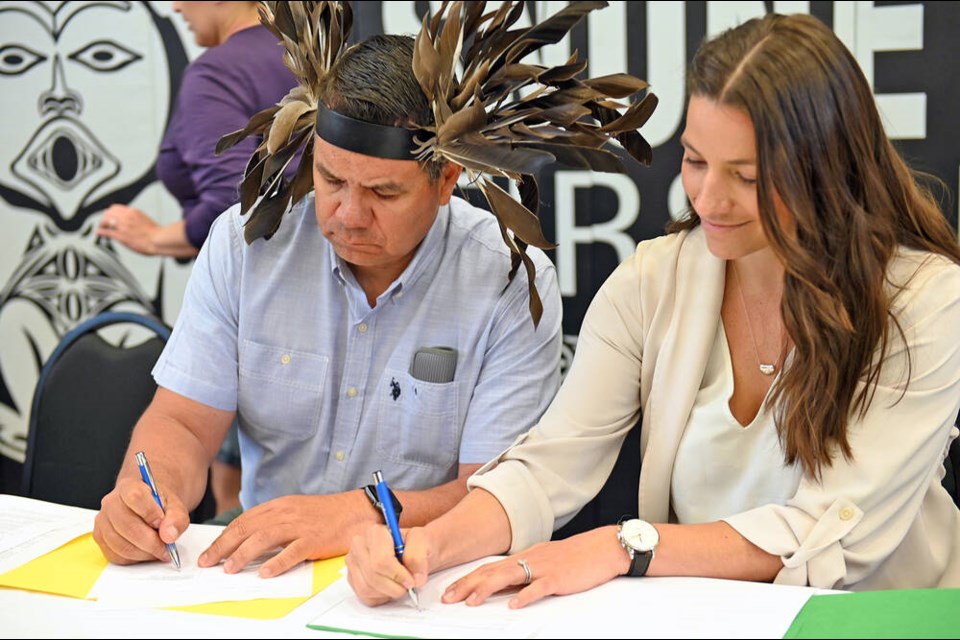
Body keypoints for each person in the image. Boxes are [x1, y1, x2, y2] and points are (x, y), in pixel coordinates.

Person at [346, 12, 960, 607]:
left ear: (826, 168)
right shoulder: (653, 279)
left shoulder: (928, 301)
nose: (708, 198)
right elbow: (549, 465)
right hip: (708, 619)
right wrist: (427, 545)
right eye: (695, 161)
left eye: (746, 176)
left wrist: (628, 547)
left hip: (889, 614)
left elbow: (833, 534)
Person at [91, 1, 654, 579]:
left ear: (446, 181)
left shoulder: (508, 279)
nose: (349, 215)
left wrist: (357, 516)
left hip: (428, 581)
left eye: (384, 193)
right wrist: (144, 493)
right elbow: (183, 422)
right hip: (263, 578)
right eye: (331, 180)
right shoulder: (248, 244)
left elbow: (495, 492)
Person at [96, 1, 297, 517]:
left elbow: (239, 203)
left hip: (258, 305)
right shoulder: (307, 60)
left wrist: (163, 237)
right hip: (304, 309)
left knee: (242, 507)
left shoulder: (220, 71)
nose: (175, 6)